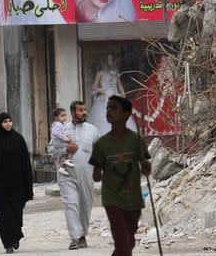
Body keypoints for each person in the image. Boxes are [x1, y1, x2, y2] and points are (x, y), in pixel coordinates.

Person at [89, 95, 151, 256]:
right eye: (107, 108)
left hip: (133, 199)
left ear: (126, 114)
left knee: (128, 242)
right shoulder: (101, 144)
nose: (108, 111)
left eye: (114, 107)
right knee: (123, 244)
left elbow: (146, 171)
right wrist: (98, 171)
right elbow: (96, 177)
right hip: (112, 198)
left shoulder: (137, 140)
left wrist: (146, 167)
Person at [47, 101, 99, 250]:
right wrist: (65, 149)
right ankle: (75, 238)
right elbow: (51, 149)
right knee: (71, 204)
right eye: (81, 110)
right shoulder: (61, 129)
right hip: (66, 175)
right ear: (72, 113)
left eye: (85, 110)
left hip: (86, 175)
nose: (84, 113)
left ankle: (83, 235)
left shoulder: (92, 130)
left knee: (84, 205)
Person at [0, 112, 34, 254]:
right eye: (5, 121)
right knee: (5, 217)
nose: (8, 124)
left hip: (17, 186)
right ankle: (8, 244)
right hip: (1, 188)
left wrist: (28, 184)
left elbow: (25, 163)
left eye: (10, 121)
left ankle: (16, 236)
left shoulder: (18, 139)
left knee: (17, 215)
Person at [87, 53, 137, 136]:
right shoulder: (100, 73)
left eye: (111, 59)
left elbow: (119, 83)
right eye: (109, 59)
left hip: (116, 95)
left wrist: (123, 93)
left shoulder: (115, 72)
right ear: (105, 61)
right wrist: (101, 91)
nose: (110, 61)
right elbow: (94, 85)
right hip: (105, 97)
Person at [49, 107, 75, 176]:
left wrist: (68, 135)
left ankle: (63, 167)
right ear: (56, 117)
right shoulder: (57, 125)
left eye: (65, 115)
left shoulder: (61, 124)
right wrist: (66, 139)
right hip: (58, 142)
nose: (64, 117)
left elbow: (65, 131)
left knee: (67, 151)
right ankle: (67, 161)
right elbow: (58, 134)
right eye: (62, 116)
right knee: (71, 147)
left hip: (60, 142)